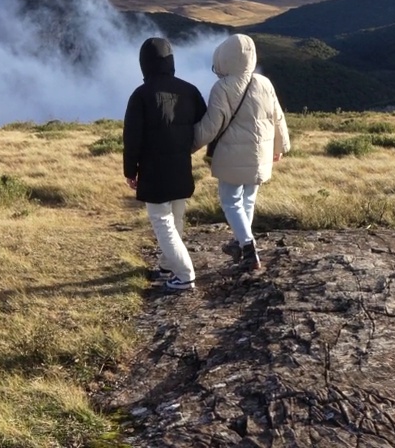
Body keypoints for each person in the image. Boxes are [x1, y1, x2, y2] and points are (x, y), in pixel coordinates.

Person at [194, 34, 291, 272]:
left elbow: (211, 126)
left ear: (225, 58)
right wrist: (280, 148)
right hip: (260, 155)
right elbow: (278, 117)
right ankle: (240, 242)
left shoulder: (222, 87)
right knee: (248, 199)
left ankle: (248, 249)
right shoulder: (264, 83)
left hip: (232, 156)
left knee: (230, 201)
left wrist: (187, 146)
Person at [124, 37, 207, 291]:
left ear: (144, 63)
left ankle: (184, 274)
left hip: (153, 170)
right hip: (182, 166)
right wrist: (187, 148)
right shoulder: (190, 90)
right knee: (177, 217)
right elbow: (202, 126)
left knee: (162, 221)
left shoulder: (140, 95)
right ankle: (168, 264)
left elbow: (132, 138)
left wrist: (130, 171)